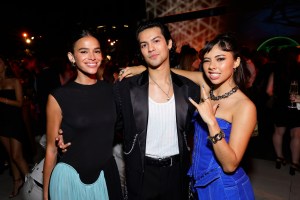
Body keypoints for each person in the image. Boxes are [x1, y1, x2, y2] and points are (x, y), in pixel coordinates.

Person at [57, 19, 200, 200]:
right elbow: (105, 122)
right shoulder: (125, 89)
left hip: (177, 173)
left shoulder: (189, 89)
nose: (151, 48)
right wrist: (70, 133)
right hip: (141, 173)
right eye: (144, 44)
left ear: (169, 43)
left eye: (156, 41)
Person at [121, 32, 256, 199]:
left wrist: (212, 123)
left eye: (220, 59)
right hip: (197, 184)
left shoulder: (244, 106)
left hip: (225, 188)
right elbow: (170, 72)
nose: (212, 66)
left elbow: (230, 165)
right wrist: (143, 68)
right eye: (207, 60)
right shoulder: (207, 87)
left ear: (236, 62)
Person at [42, 27, 122, 200]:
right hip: (70, 178)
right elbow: (51, 149)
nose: (92, 57)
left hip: (106, 173)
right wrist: (46, 195)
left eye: (97, 51)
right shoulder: (58, 97)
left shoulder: (112, 91)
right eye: (84, 51)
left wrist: (138, 69)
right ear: (72, 57)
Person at [0, 54, 30, 198]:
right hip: (1, 121)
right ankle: (17, 181)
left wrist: (2, 99)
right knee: (10, 156)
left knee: (17, 155)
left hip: (14, 121)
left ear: (5, 65)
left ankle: (33, 185)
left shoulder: (14, 81)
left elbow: (19, 103)